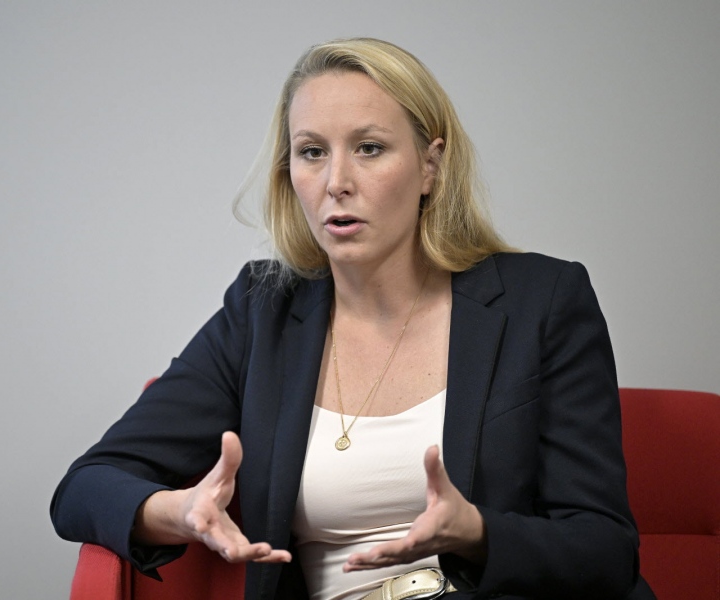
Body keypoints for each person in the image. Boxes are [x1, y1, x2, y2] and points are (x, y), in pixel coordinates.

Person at [51, 38, 654, 600]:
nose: (337, 182)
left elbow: (604, 548)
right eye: (312, 152)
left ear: (430, 166)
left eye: (369, 148)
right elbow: (85, 486)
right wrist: (178, 512)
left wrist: (475, 532)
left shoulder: (542, 300)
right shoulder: (262, 311)